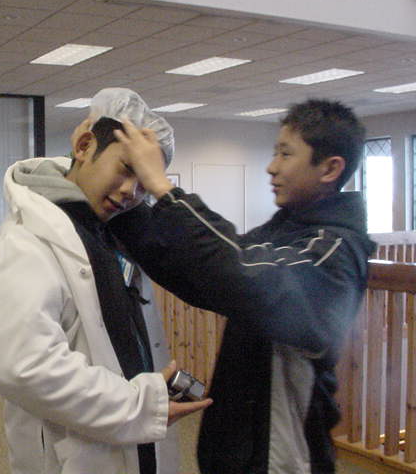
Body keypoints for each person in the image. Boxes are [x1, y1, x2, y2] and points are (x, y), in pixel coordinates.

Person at [108, 99, 376, 474]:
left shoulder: (336, 250)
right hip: (240, 446)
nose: (272, 166)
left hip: (280, 457)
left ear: (330, 169)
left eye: (286, 154)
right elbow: (203, 276)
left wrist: (164, 190)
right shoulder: (285, 230)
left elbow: (242, 275)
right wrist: (124, 210)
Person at [0, 88, 211, 474]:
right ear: (85, 146)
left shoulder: (111, 228)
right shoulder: (27, 242)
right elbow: (23, 366)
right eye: (125, 168)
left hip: (128, 431)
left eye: (144, 182)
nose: (130, 191)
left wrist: (144, 401)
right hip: (75, 452)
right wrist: (136, 405)